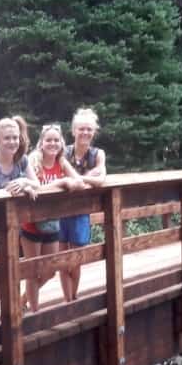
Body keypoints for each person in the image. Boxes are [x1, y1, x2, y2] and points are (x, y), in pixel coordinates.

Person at [0, 116, 39, 327]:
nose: (12, 142)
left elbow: (36, 183)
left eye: (15, 137)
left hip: (11, 226)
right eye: (7, 138)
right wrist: (13, 189)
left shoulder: (21, 159)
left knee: (9, 274)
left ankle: (5, 320)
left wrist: (23, 182)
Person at [21, 123, 85, 313]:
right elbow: (36, 188)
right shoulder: (34, 159)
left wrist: (69, 182)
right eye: (48, 140)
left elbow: (79, 182)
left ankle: (22, 300)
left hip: (52, 223)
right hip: (31, 223)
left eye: (56, 140)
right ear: (41, 143)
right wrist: (62, 182)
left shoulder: (61, 162)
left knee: (50, 271)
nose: (53, 143)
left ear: (61, 143)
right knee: (33, 272)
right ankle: (34, 311)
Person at [59, 107, 108, 302]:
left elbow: (102, 179)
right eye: (81, 129)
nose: (85, 133)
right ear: (73, 130)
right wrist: (87, 177)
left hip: (81, 211)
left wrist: (78, 179)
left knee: (76, 260)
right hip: (59, 210)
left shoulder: (97, 154)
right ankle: (67, 301)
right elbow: (82, 179)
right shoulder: (63, 152)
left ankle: (74, 296)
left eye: (89, 129)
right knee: (63, 259)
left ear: (94, 132)